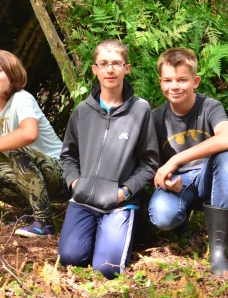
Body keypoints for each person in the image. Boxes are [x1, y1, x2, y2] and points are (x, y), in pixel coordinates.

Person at [58, 39, 159, 279]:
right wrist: (75, 183)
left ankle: (111, 239)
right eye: (103, 64)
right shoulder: (83, 110)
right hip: (83, 200)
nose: (110, 69)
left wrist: (124, 192)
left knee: (107, 269)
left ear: (127, 68)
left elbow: (149, 162)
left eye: (116, 63)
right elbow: (68, 155)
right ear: (94, 69)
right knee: (70, 258)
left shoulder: (141, 110)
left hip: (119, 203)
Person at [148, 48, 228, 276]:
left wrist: (176, 159)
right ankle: (181, 225)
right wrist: (164, 180)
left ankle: (218, 252)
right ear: (161, 82)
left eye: (182, 80)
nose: (175, 86)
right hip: (179, 184)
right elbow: (149, 164)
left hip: (209, 179)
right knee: (161, 214)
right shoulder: (156, 117)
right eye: (168, 80)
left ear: (195, 81)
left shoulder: (210, 107)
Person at [0, 50, 68, 237]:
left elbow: (29, 134)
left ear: (12, 74)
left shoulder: (22, 98)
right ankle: (31, 210)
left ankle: (44, 223)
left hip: (61, 173)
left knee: (17, 152)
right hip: (29, 174)